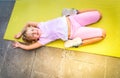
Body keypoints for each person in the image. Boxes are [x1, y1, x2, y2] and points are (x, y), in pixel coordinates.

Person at [13, 9, 106, 50]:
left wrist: (20, 33)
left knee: (99, 14)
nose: (34, 32)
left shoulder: (40, 25)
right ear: (35, 39)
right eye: (33, 35)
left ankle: (75, 12)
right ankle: (77, 43)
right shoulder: (43, 39)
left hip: (72, 19)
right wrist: (21, 46)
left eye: (32, 30)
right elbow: (30, 47)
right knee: (103, 34)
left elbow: (28, 22)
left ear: (33, 27)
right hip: (74, 33)